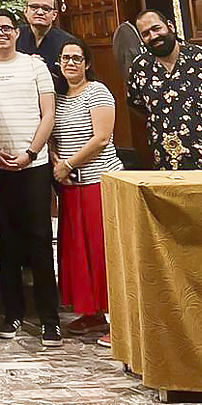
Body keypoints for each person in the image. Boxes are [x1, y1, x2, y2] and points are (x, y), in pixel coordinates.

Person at [0, 9, 62, 347]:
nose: (1, 33)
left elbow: (48, 112)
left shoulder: (34, 65)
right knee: (5, 241)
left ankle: (50, 319)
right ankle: (13, 313)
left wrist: (31, 153)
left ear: (16, 32)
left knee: (38, 239)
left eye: (6, 28)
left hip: (33, 164)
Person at [51, 39, 123, 348]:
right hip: (72, 186)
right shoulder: (60, 98)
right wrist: (57, 162)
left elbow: (102, 138)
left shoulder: (97, 92)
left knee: (102, 250)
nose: (70, 63)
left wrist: (66, 165)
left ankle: (118, 320)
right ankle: (91, 313)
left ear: (87, 63)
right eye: (65, 58)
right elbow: (53, 137)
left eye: (77, 58)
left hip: (99, 181)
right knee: (78, 253)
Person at [128, 9, 202, 173]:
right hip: (167, 165)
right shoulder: (139, 68)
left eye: (156, 28)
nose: (153, 36)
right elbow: (137, 106)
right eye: (146, 34)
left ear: (169, 26)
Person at [16, 0, 76, 76]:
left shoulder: (67, 42)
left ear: (54, 15)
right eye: (34, 7)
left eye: (46, 9)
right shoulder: (14, 36)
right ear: (25, 11)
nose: (40, 12)